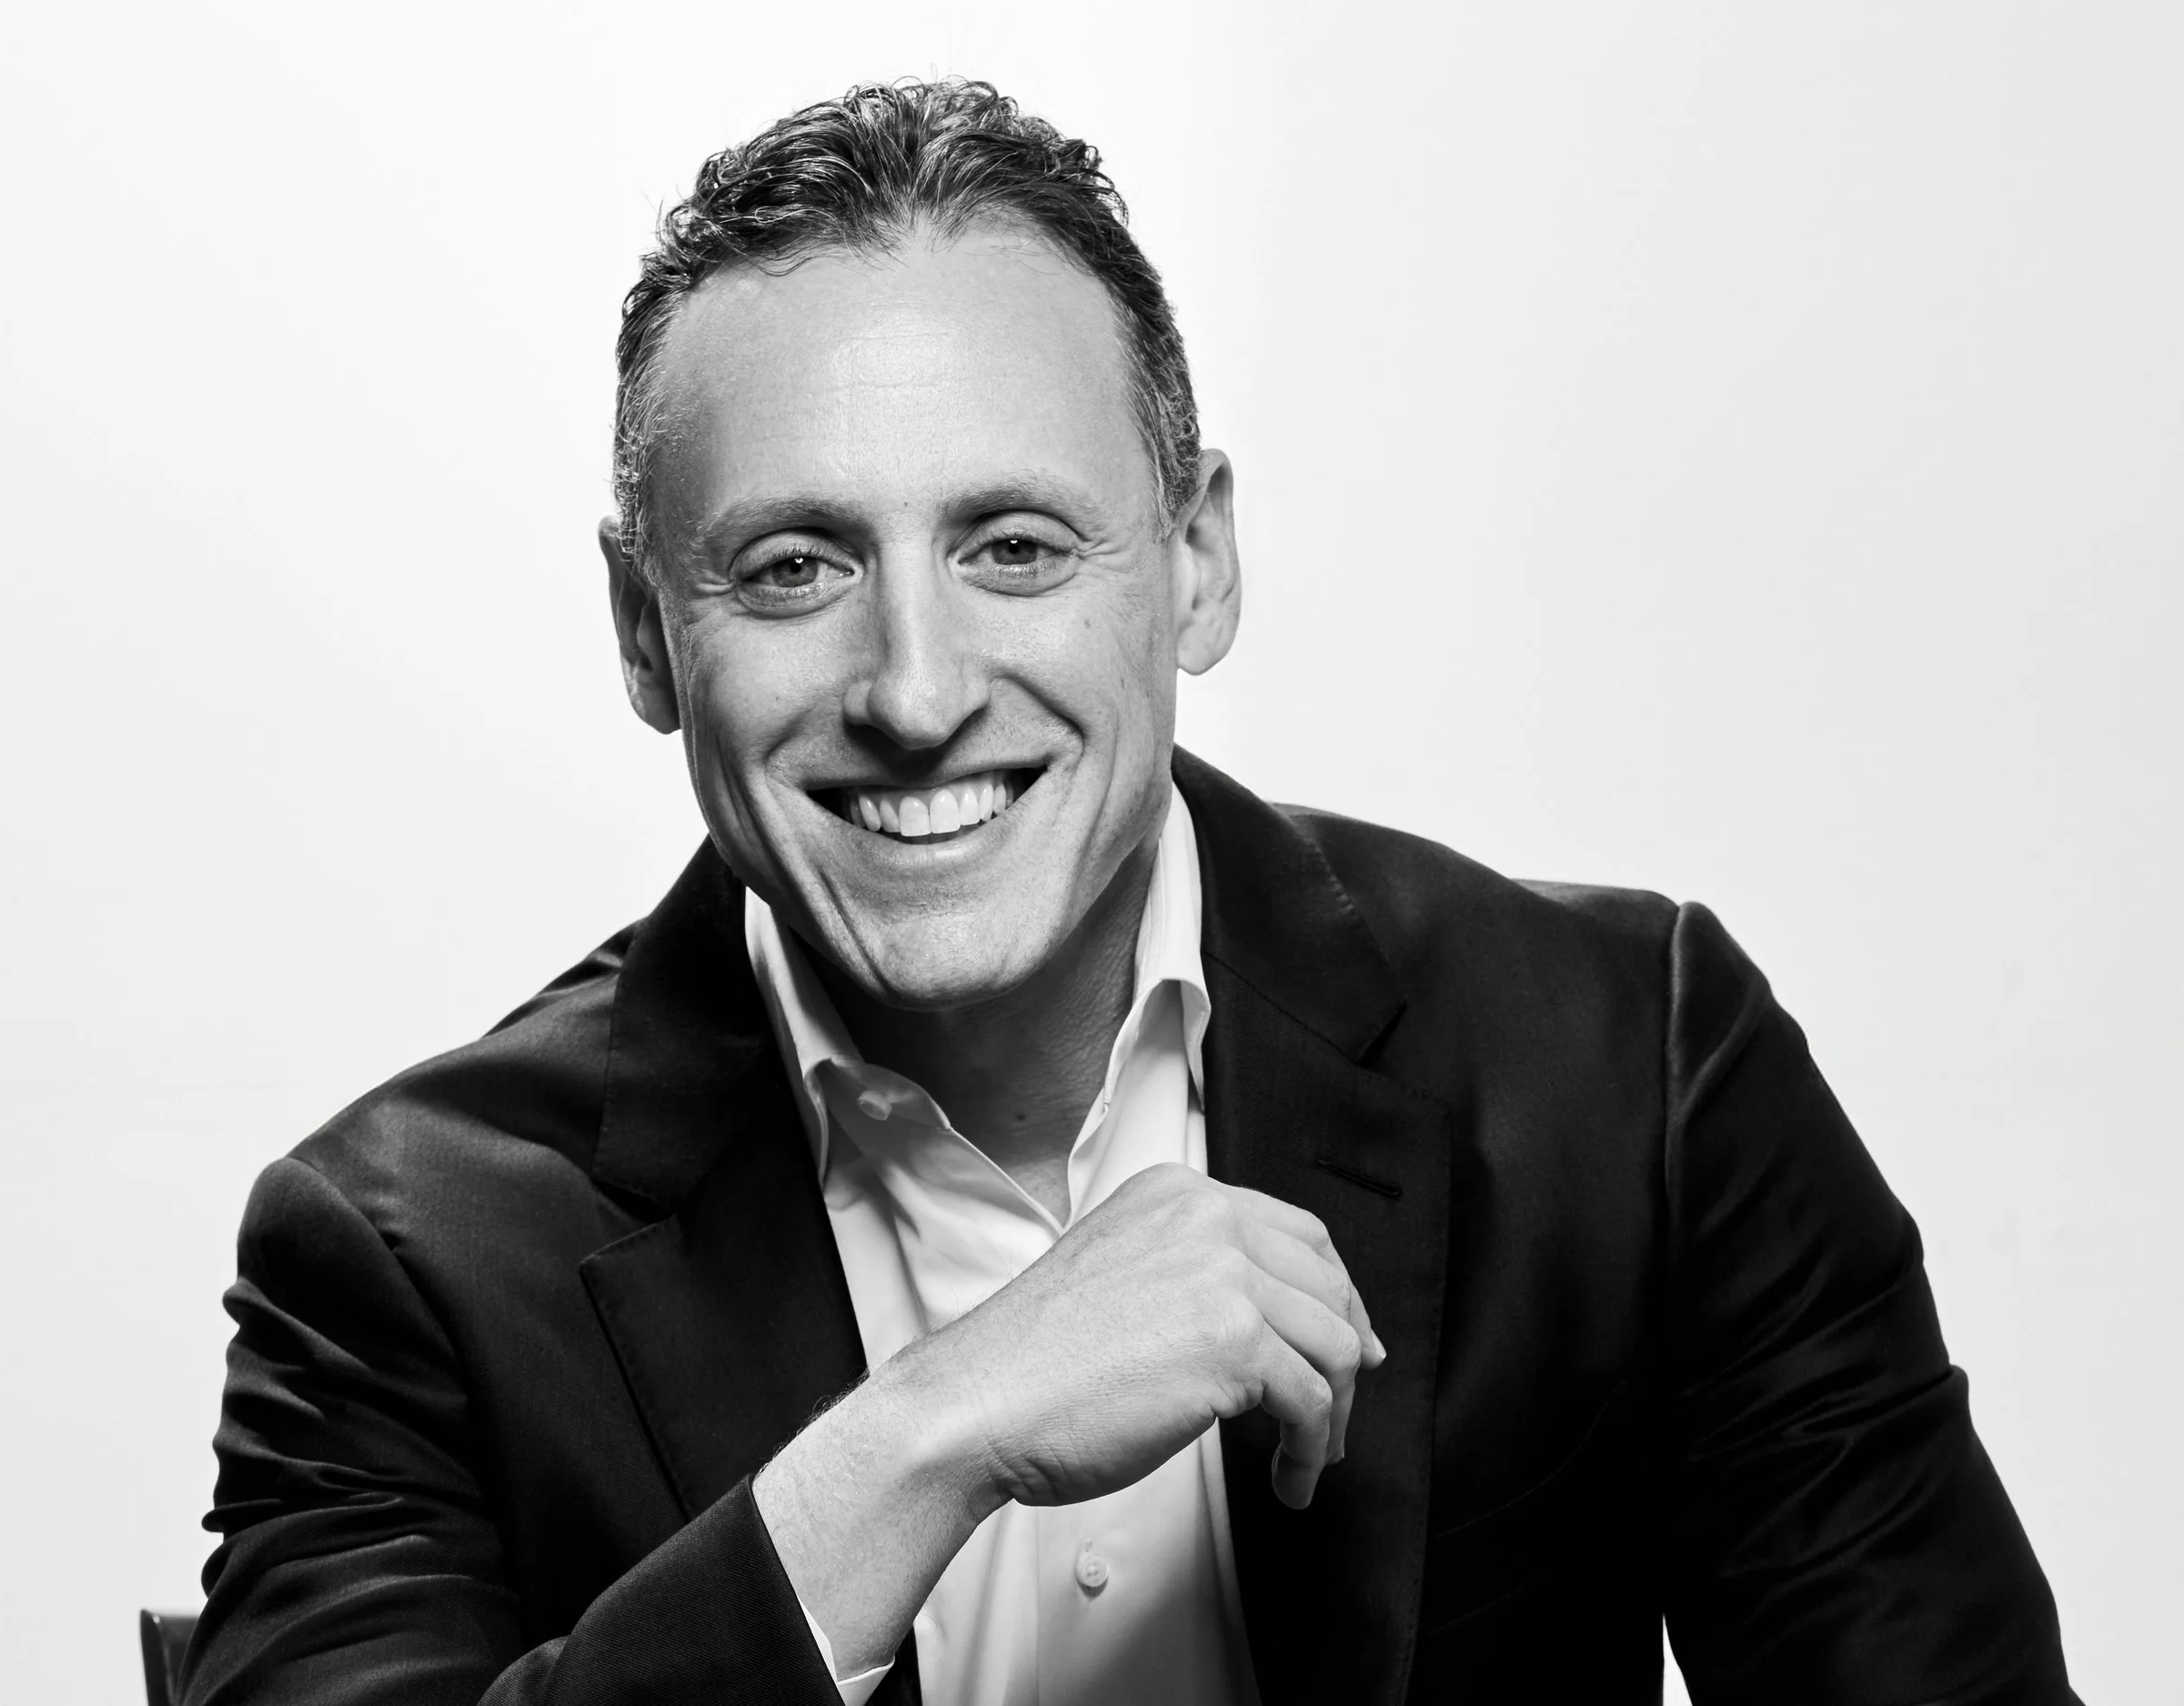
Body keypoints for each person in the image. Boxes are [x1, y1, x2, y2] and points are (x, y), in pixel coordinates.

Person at [182, 78, 2075, 1706]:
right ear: (642, 631)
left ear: (1193, 564)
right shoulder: (393, 1259)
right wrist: (924, 1438)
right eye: (789, 568)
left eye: (1013, 546)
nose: (914, 690)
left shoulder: (1631, 1068)